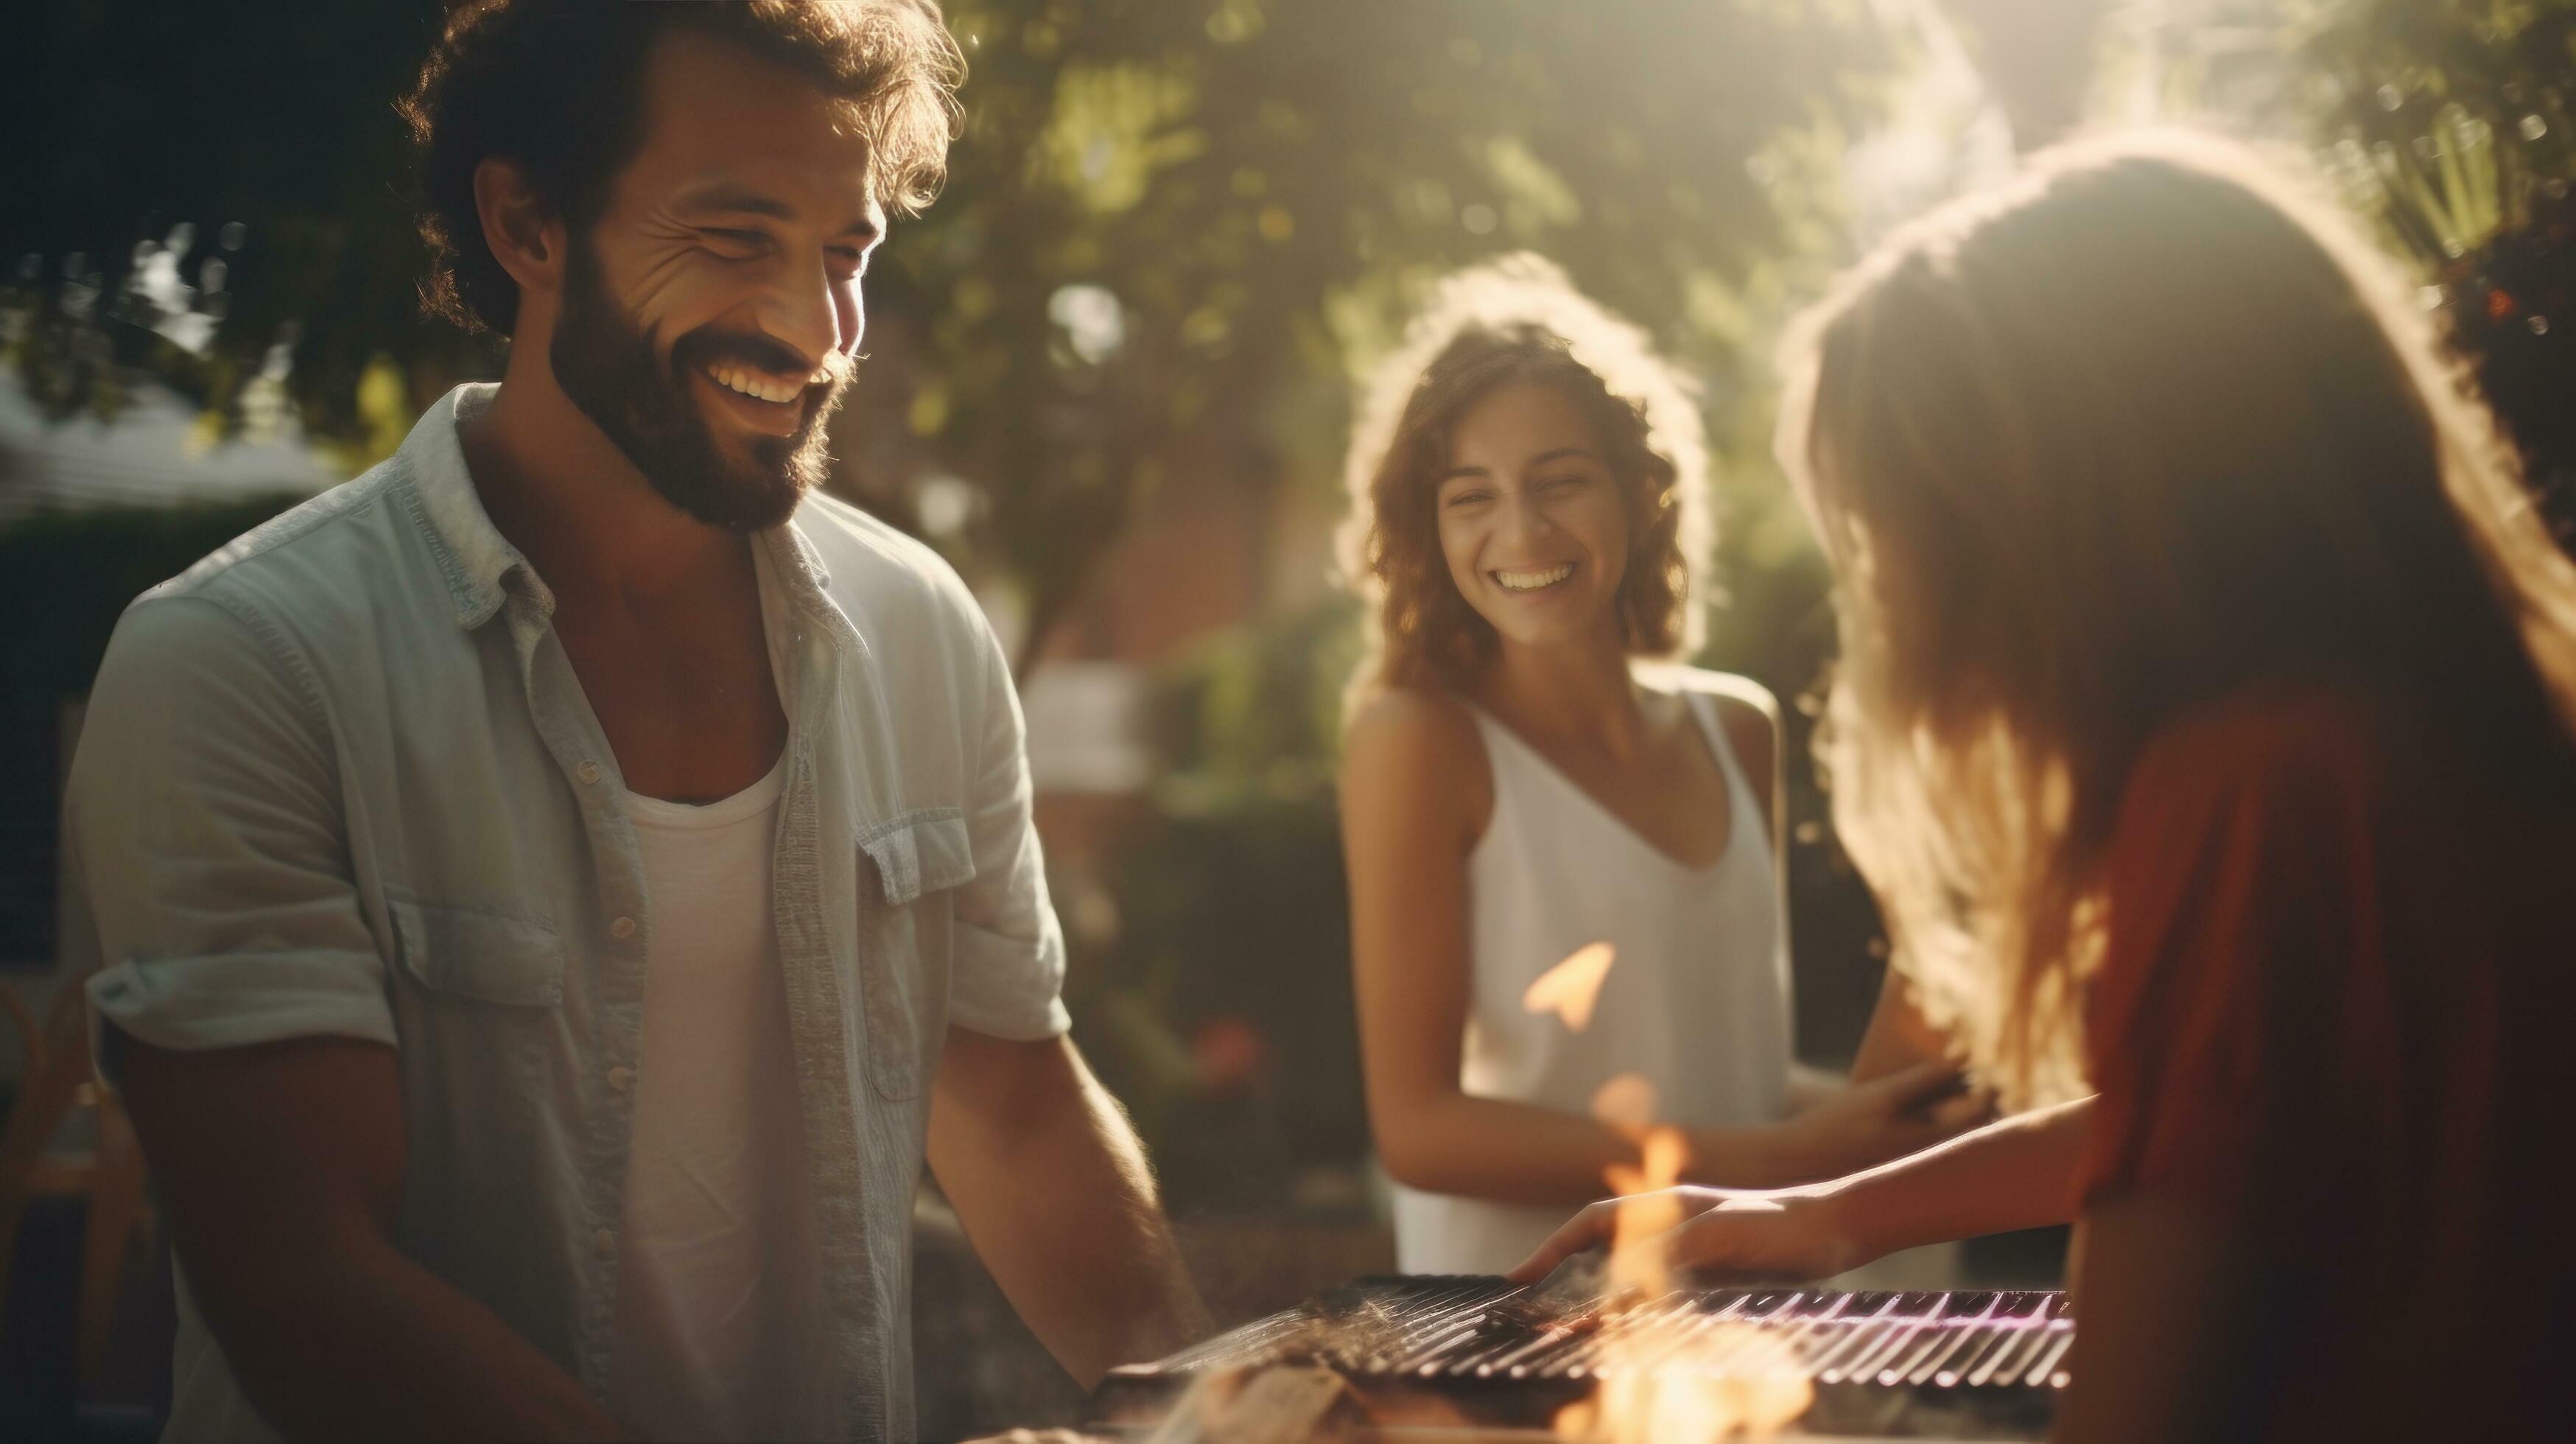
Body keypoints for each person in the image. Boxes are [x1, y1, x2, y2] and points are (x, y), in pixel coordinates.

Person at [57, 4, 1204, 1440]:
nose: (812, 327)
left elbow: (1022, 1113)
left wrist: (1223, 1413)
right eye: (735, 238)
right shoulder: (240, 666)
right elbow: (310, 1284)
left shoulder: (922, 630)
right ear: (528, 223)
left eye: (845, 254)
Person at [1515, 130, 2576, 1440]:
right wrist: (1827, 1216)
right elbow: (2216, 1119)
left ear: (2052, 521)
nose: (1895, 610)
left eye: (1896, 538)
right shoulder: (2442, 727)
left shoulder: (2250, 794)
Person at [1334, 257, 1990, 1278]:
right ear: (1429, 530)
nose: (1522, 530)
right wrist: (1770, 1160)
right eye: (1472, 497)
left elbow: (1721, 1067)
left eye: (1559, 481)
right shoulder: (1417, 742)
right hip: (1513, 1328)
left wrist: (1879, 1115)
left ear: (1640, 493)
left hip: (1730, 1319)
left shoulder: (1738, 728)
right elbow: (1421, 1130)